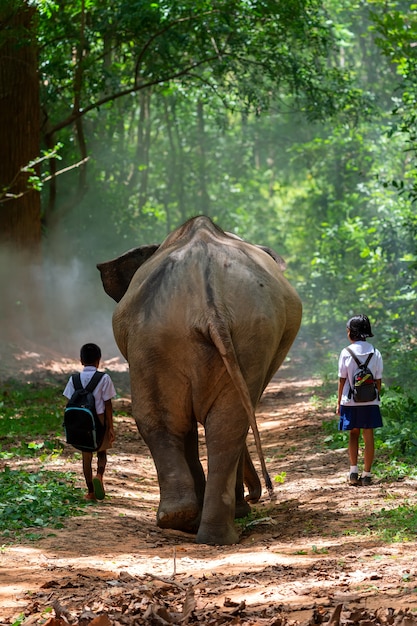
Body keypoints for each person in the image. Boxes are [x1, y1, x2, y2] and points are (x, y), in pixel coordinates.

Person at [63, 343, 116, 501]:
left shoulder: (74, 379)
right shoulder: (104, 378)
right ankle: (99, 475)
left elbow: (68, 401)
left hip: (81, 423)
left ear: (81, 360)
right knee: (102, 452)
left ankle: (91, 491)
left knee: (86, 457)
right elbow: (108, 404)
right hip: (99, 420)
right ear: (98, 361)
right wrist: (110, 427)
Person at [336, 314, 383, 486]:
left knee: (353, 434)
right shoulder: (375, 352)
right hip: (370, 402)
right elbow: (378, 380)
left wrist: (339, 402)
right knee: (368, 435)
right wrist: (375, 397)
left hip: (350, 401)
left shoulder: (346, 352)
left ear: (351, 333)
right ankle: (367, 474)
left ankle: (353, 472)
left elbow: (342, 379)